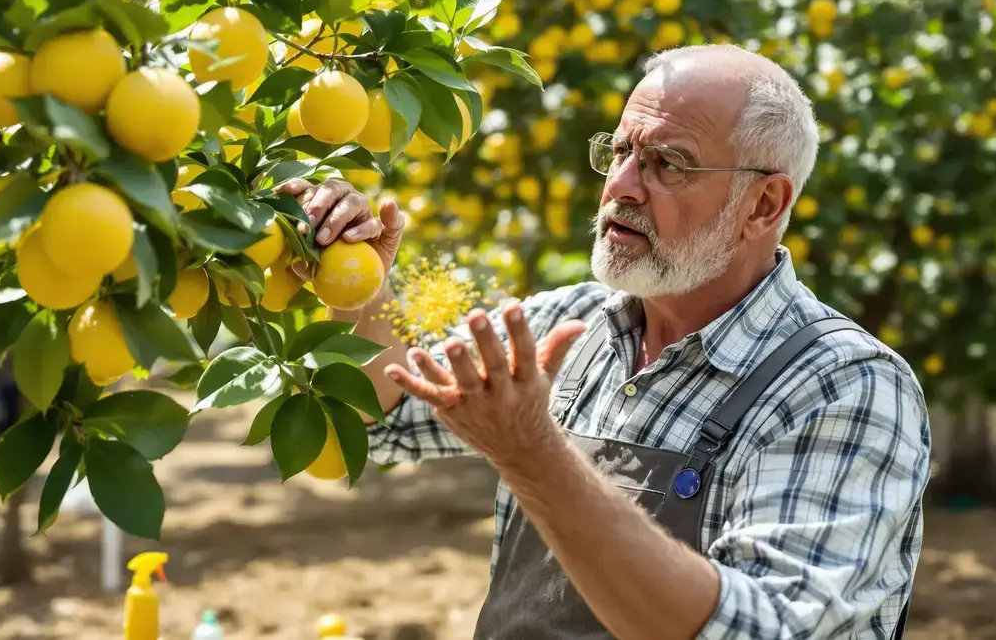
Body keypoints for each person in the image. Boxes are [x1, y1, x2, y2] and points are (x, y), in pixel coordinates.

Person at [277, 43, 931, 639]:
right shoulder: (577, 323)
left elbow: (755, 630)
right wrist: (358, 285)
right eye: (619, 152)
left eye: (667, 163)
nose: (621, 186)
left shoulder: (844, 386)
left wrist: (533, 455)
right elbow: (381, 412)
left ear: (762, 205)